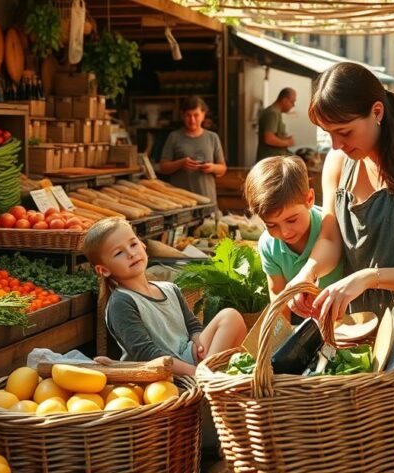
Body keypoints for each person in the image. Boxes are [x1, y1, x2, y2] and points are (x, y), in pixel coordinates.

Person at [283, 62, 394, 323]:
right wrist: (307, 273)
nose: (336, 144)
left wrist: (370, 277)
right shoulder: (337, 162)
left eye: (344, 132)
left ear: (377, 112)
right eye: (328, 133)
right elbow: (330, 239)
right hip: (363, 324)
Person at [83, 218, 247, 376]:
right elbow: (146, 354)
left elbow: (193, 327)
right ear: (104, 270)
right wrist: (194, 372)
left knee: (231, 317)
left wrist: (199, 345)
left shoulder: (170, 289)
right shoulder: (121, 302)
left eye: (133, 244)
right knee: (229, 319)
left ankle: (207, 376)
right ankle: (207, 378)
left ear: (143, 245)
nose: (131, 253)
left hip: (190, 356)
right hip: (163, 370)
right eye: (119, 253)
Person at [244, 156, 345, 302]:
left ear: (309, 199)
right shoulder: (268, 245)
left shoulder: (331, 224)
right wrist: (289, 306)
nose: (285, 232)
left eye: (291, 220)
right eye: (271, 225)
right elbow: (277, 294)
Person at [159, 96, 226, 202]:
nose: (192, 120)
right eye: (188, 115)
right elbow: (163, 167)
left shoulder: (213, 137)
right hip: (181, 201)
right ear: (182, 115)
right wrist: (181, 163)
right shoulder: (174, 137)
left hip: (207, 198)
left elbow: (222, 168)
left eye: (196, 115)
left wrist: (212, 167)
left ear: (203, 115)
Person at [256, 88, 297, 160]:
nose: (293, 105)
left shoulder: (276, 113)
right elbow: (269, 139)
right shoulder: (272, 113)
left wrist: (283, 138)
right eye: (292, 102)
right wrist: (288, 142)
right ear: (284, 100)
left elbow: (273, 135)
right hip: (271, 161)